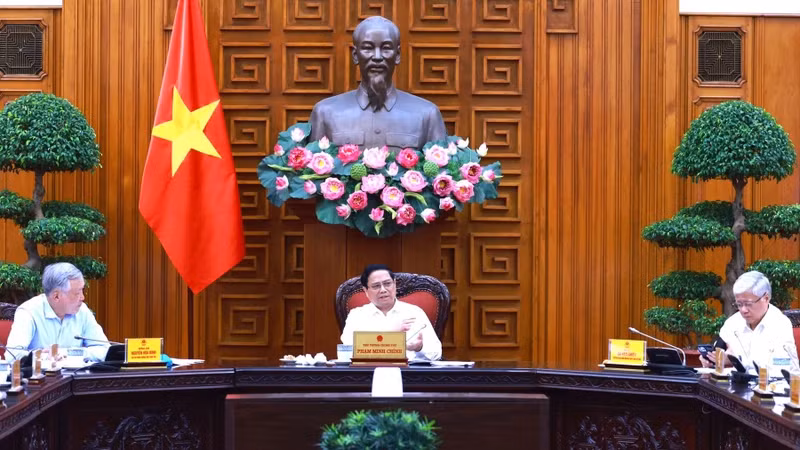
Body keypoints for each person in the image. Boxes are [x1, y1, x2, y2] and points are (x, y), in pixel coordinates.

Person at [309, 16, 447, 151]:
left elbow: (442, 172)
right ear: (356, 56)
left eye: (386, 48)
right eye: (368, 48)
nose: (377, 57)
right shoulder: (325, 112)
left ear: (397, 55)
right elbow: (309, 170)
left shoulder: (427, 114)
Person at [5, 262, 110, 361]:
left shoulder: (82, 311)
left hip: (77, 377)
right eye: (77, 293)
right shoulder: (29, 312)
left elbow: (104, 349)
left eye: (82, 290)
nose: (82, 297)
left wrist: (71, 354)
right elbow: (13, 355)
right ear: (56, 296)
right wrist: (43, 356)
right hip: (42, 378)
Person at [701, 271, 798, 377]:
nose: (743, 310)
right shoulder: (733, 323)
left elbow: (783, 364)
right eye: (739, 304)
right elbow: (730, 352)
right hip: (741, 385)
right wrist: (718, 359)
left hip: (777, 386)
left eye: (748, 304)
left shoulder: (780, 324)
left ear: (766, 298)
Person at [340, 264, 442, 361]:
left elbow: (436, 353)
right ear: (365, 290)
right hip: (368, 374)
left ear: (394, 284)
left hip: (408, 374)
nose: (383, 290)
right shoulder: (357, 316)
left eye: (387, 283)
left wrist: (419, 348)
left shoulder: (414, 312)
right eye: (376, 286)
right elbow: (349, 352)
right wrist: (392, 333)